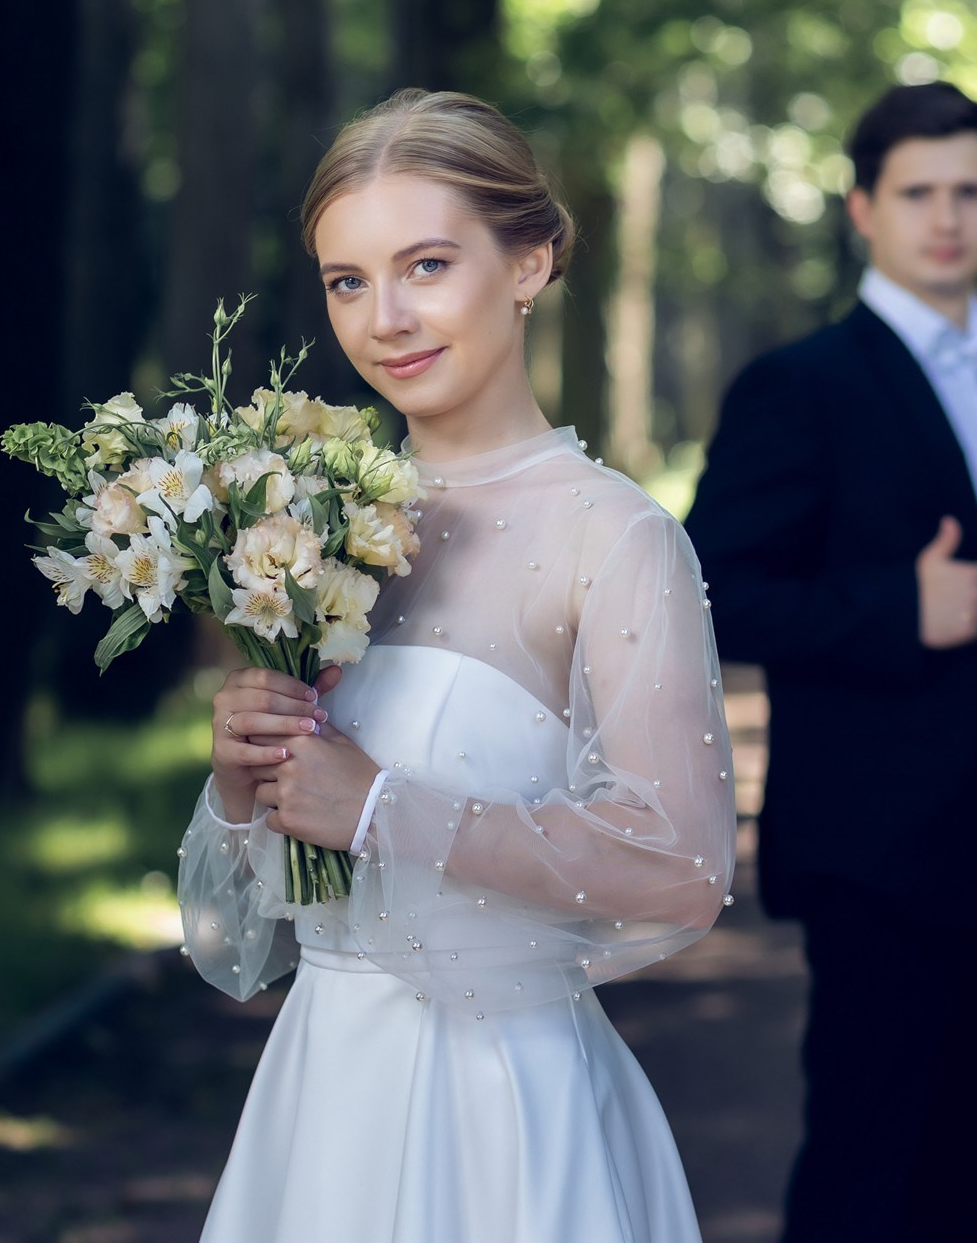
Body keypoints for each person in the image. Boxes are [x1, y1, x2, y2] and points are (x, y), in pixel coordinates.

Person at [175, 88, 738, 1243]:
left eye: (426, 265)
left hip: (504, 1116)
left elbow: (684, 870)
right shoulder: (311, 525)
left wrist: (384, 807)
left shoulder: (615, 537)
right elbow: (240, 947)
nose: (385, 318)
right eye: (348, 281)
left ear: (528, 263)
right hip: (322, 1104)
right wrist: (245, 788)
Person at [683, 82, 977, 1241]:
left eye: (971, 192)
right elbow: (704, 595)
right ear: (863, 210)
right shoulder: (801, 388)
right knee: (869, 1175)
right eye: (919, 193)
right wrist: (898, 606)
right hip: (881, 858)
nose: (948, 218)